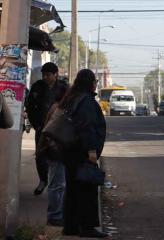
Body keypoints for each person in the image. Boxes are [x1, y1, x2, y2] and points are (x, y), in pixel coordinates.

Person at [58, 69, 107, 238]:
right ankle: (87, 227)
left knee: (72, 189)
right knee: (87, 190)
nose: (96, 84)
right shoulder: (86, 101)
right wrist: (91, 151)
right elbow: (87, 128)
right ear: (90, 83)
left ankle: (70, 226)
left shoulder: (72, 98)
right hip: (82, 152)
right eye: (95, 81)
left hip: (69, 151)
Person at [26, 62, 68, 196]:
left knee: (58, 157)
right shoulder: (37, 87)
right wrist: (35, 124)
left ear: (55, 74)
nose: (45, 77)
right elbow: (30, 107)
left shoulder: (64, 88)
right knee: (40, 156)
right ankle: (43, 180)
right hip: (41, 128)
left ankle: (58, 184)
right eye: (43, 74)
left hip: (59, 130)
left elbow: (70, 108)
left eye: (48, 75)